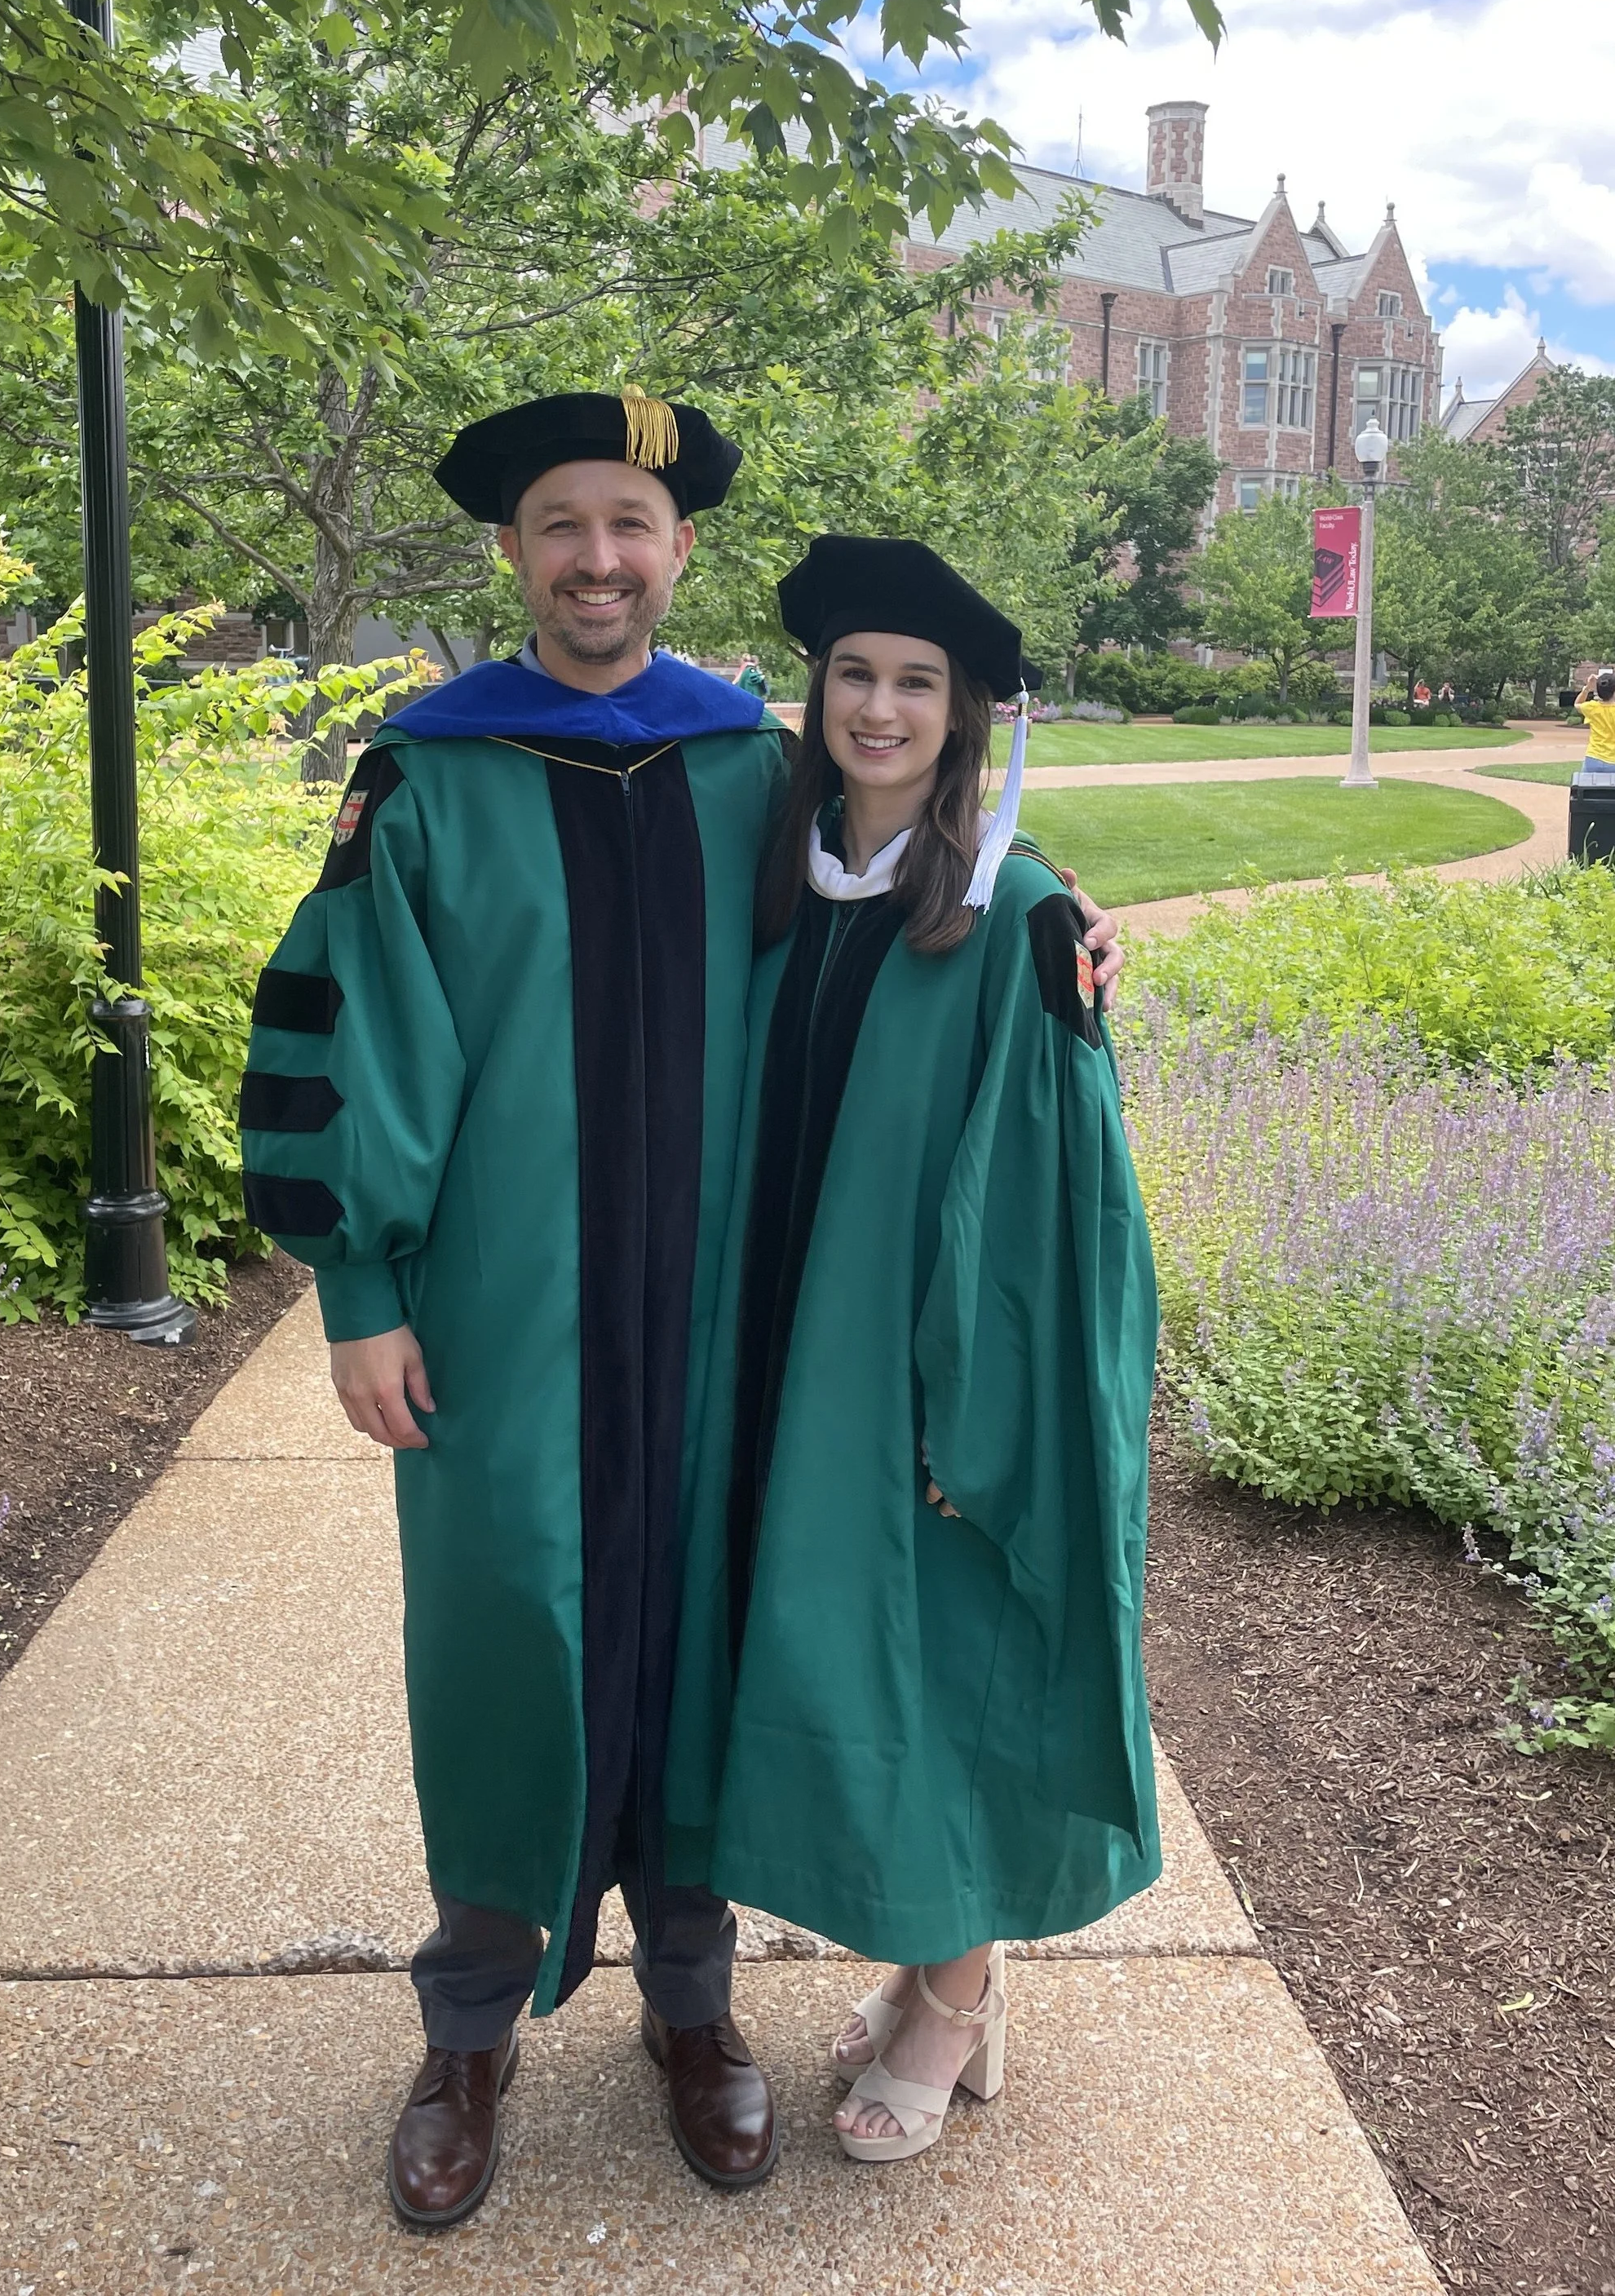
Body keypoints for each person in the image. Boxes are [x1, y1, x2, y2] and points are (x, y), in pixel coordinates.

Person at [237, 403, 1130, 2227]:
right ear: (513, 555)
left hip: (734, 1336)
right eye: (559, 526)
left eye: (628, 523)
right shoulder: (431, 776)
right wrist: (363, 1289)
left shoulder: (751, 771)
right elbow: (349, 1041)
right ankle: (468, 2023)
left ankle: (694, 2007)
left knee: (704, 1646)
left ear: (679, 550)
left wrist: (1060, 920)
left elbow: (913, 909)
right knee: (504, 1648)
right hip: (506, 1329)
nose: (596, 558)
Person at [667, 536, 1160, 2170]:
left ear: (963, 720)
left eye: (917, 684)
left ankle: (948, 1997)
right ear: (815, 695)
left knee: (939, 1659)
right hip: (787, 1344)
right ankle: (944, 1963)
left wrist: (987, 1406)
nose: (879, 707)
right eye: (854, 674)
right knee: (853, 1659)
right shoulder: (780, 866)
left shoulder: (1011, 910)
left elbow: (1052, 1202)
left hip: (926, 1369)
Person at [1577, 669, 1615, 776]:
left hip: (1593, 757)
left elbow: (1577, 704)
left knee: (1587, 791)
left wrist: (1587, 688)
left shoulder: (1592, 707)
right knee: (1614, 792)